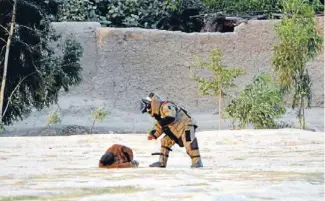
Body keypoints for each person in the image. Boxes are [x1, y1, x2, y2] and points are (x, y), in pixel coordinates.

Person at [140, 92, 203, 168]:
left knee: (189, 143)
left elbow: (170, 117)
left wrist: (161, 123)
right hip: (175, 130)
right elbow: (160, 126)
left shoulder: (166, 105)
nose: (149, 111)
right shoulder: (159, 113)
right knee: (165, 141)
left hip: (186, 126)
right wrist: (153, 135)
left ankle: (197, 162)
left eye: (148, 108)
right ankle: (162, 162)